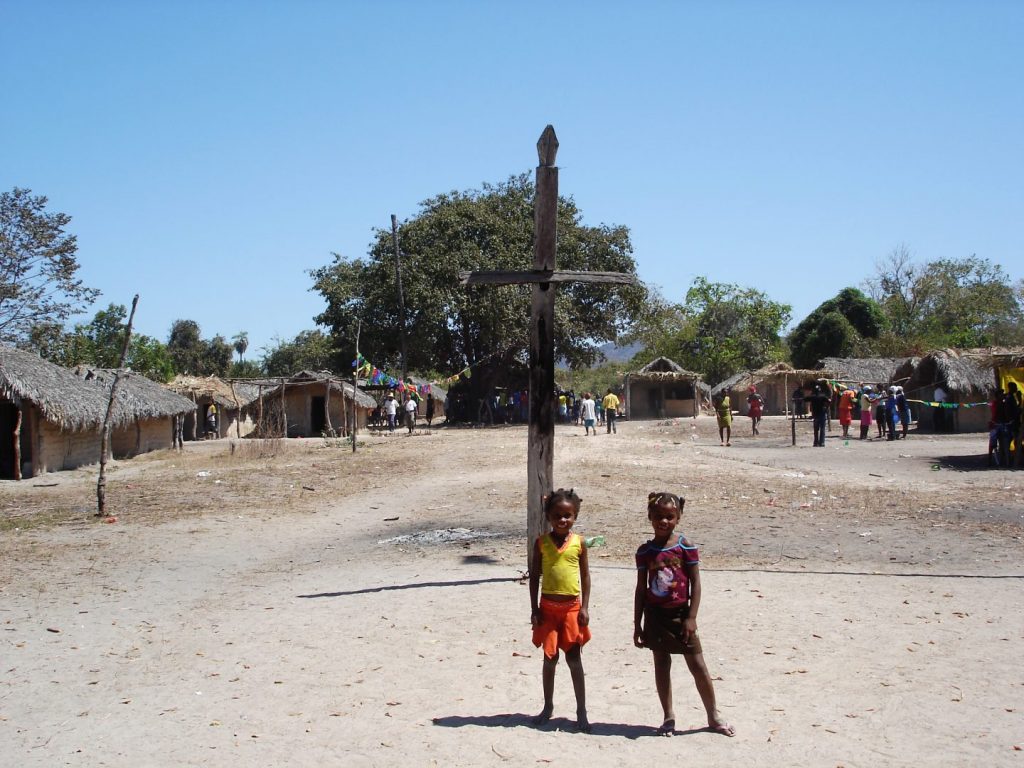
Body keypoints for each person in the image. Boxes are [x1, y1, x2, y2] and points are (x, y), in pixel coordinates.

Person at [634, 491, 734, 738]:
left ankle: (713, 715)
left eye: (669, 516)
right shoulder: (645, 552)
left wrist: (691, 616)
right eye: (658, 516)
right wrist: (637, 624)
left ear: (678, 518)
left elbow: (696, 583)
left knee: (697, 664)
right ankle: (668, 717)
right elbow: (640, 588)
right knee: (661, 664)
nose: (664, 521)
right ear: (650, 517)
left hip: (681, 614)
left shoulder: (685, 547)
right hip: (655, 615)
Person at [529, 488, 591, 733]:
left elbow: (585, 576)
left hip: (571, 610)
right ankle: (548, 706)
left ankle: (581, 711)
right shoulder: (541, 543)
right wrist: (534, 608)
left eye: (568, 515)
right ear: (548, 516)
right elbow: (535, 576)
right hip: (547, 610)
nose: (562, 520)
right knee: (549, 659)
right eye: (557, 515)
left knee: (574, 660)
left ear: (575, 516)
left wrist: (585, 606)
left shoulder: (579, 543)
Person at [806, 383, 832, 447]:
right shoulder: (823, 396)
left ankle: (815, 442)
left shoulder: (812, 397)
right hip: (822, 414)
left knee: (816, 430)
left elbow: (805, 399)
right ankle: (822, 442)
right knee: (822, 429)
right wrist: (826, 407)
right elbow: (829, 401)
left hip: (815, 415)